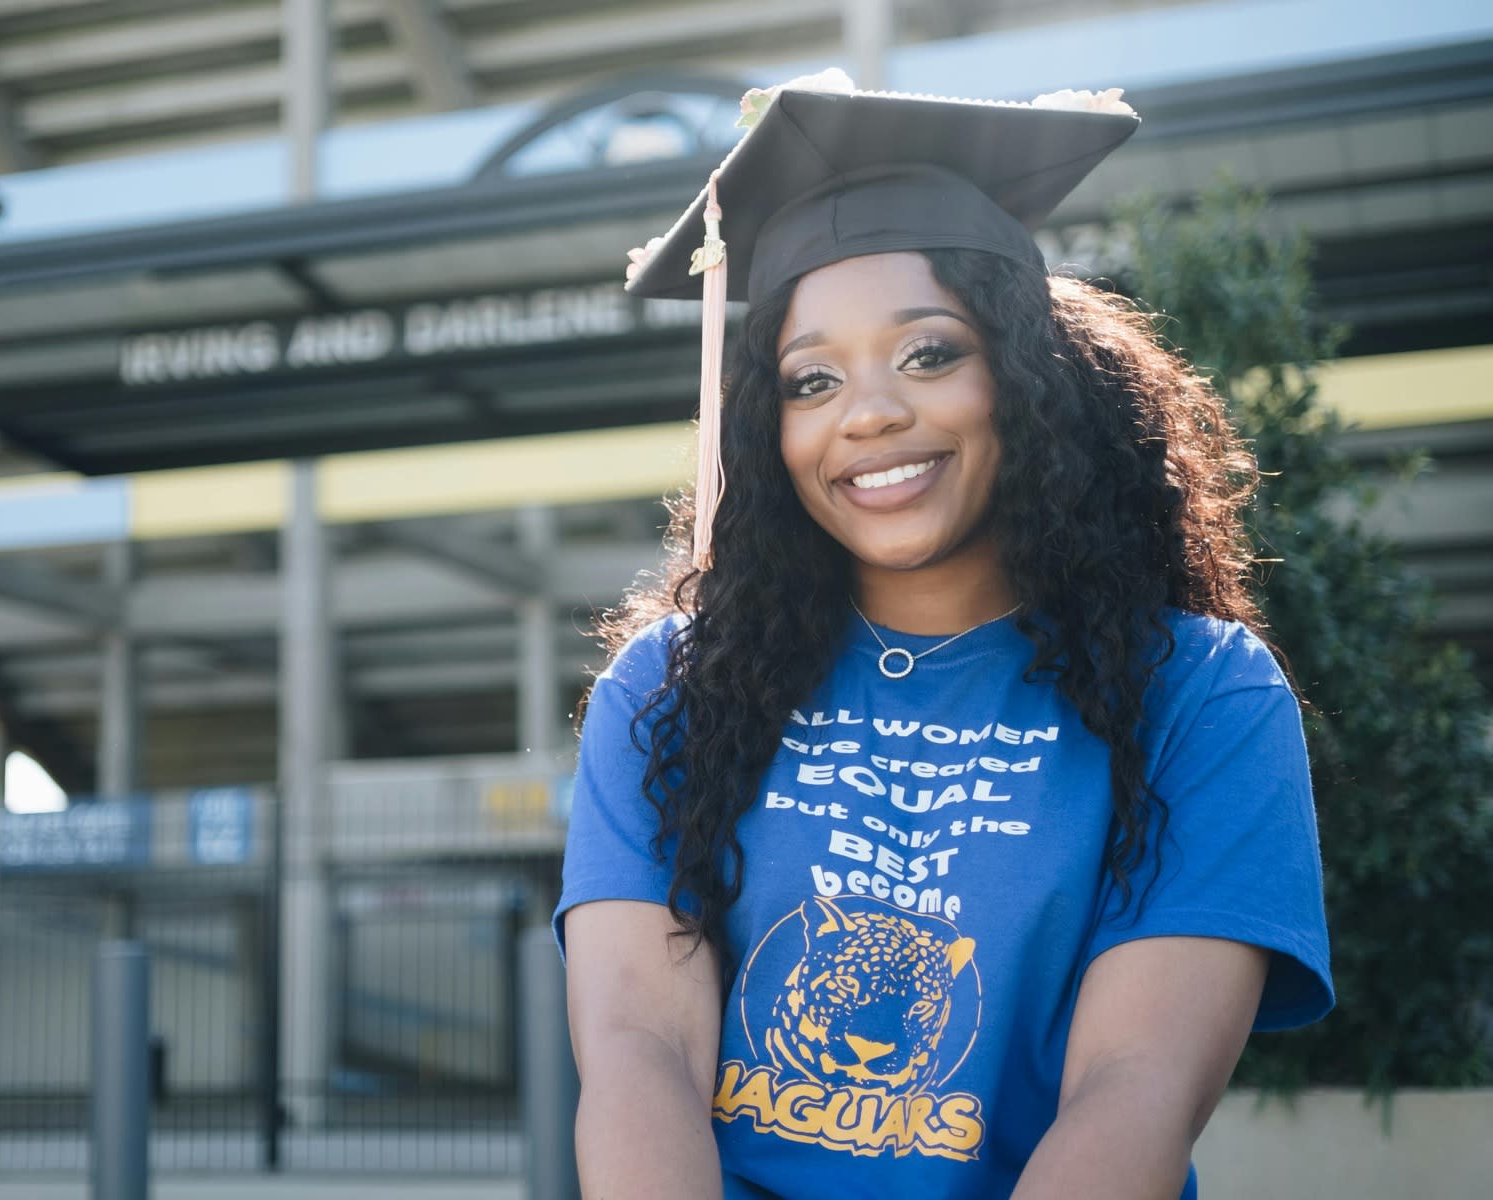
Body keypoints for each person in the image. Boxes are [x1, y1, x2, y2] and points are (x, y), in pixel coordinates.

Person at [553, 71, 1333, 1200]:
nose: (868, 413)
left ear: (1022, 376)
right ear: (769, 429)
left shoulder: (1200, 695)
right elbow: (640, 1052)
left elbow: (1136, 1087)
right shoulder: (668, 690)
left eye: (928, 353)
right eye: (810, 379)